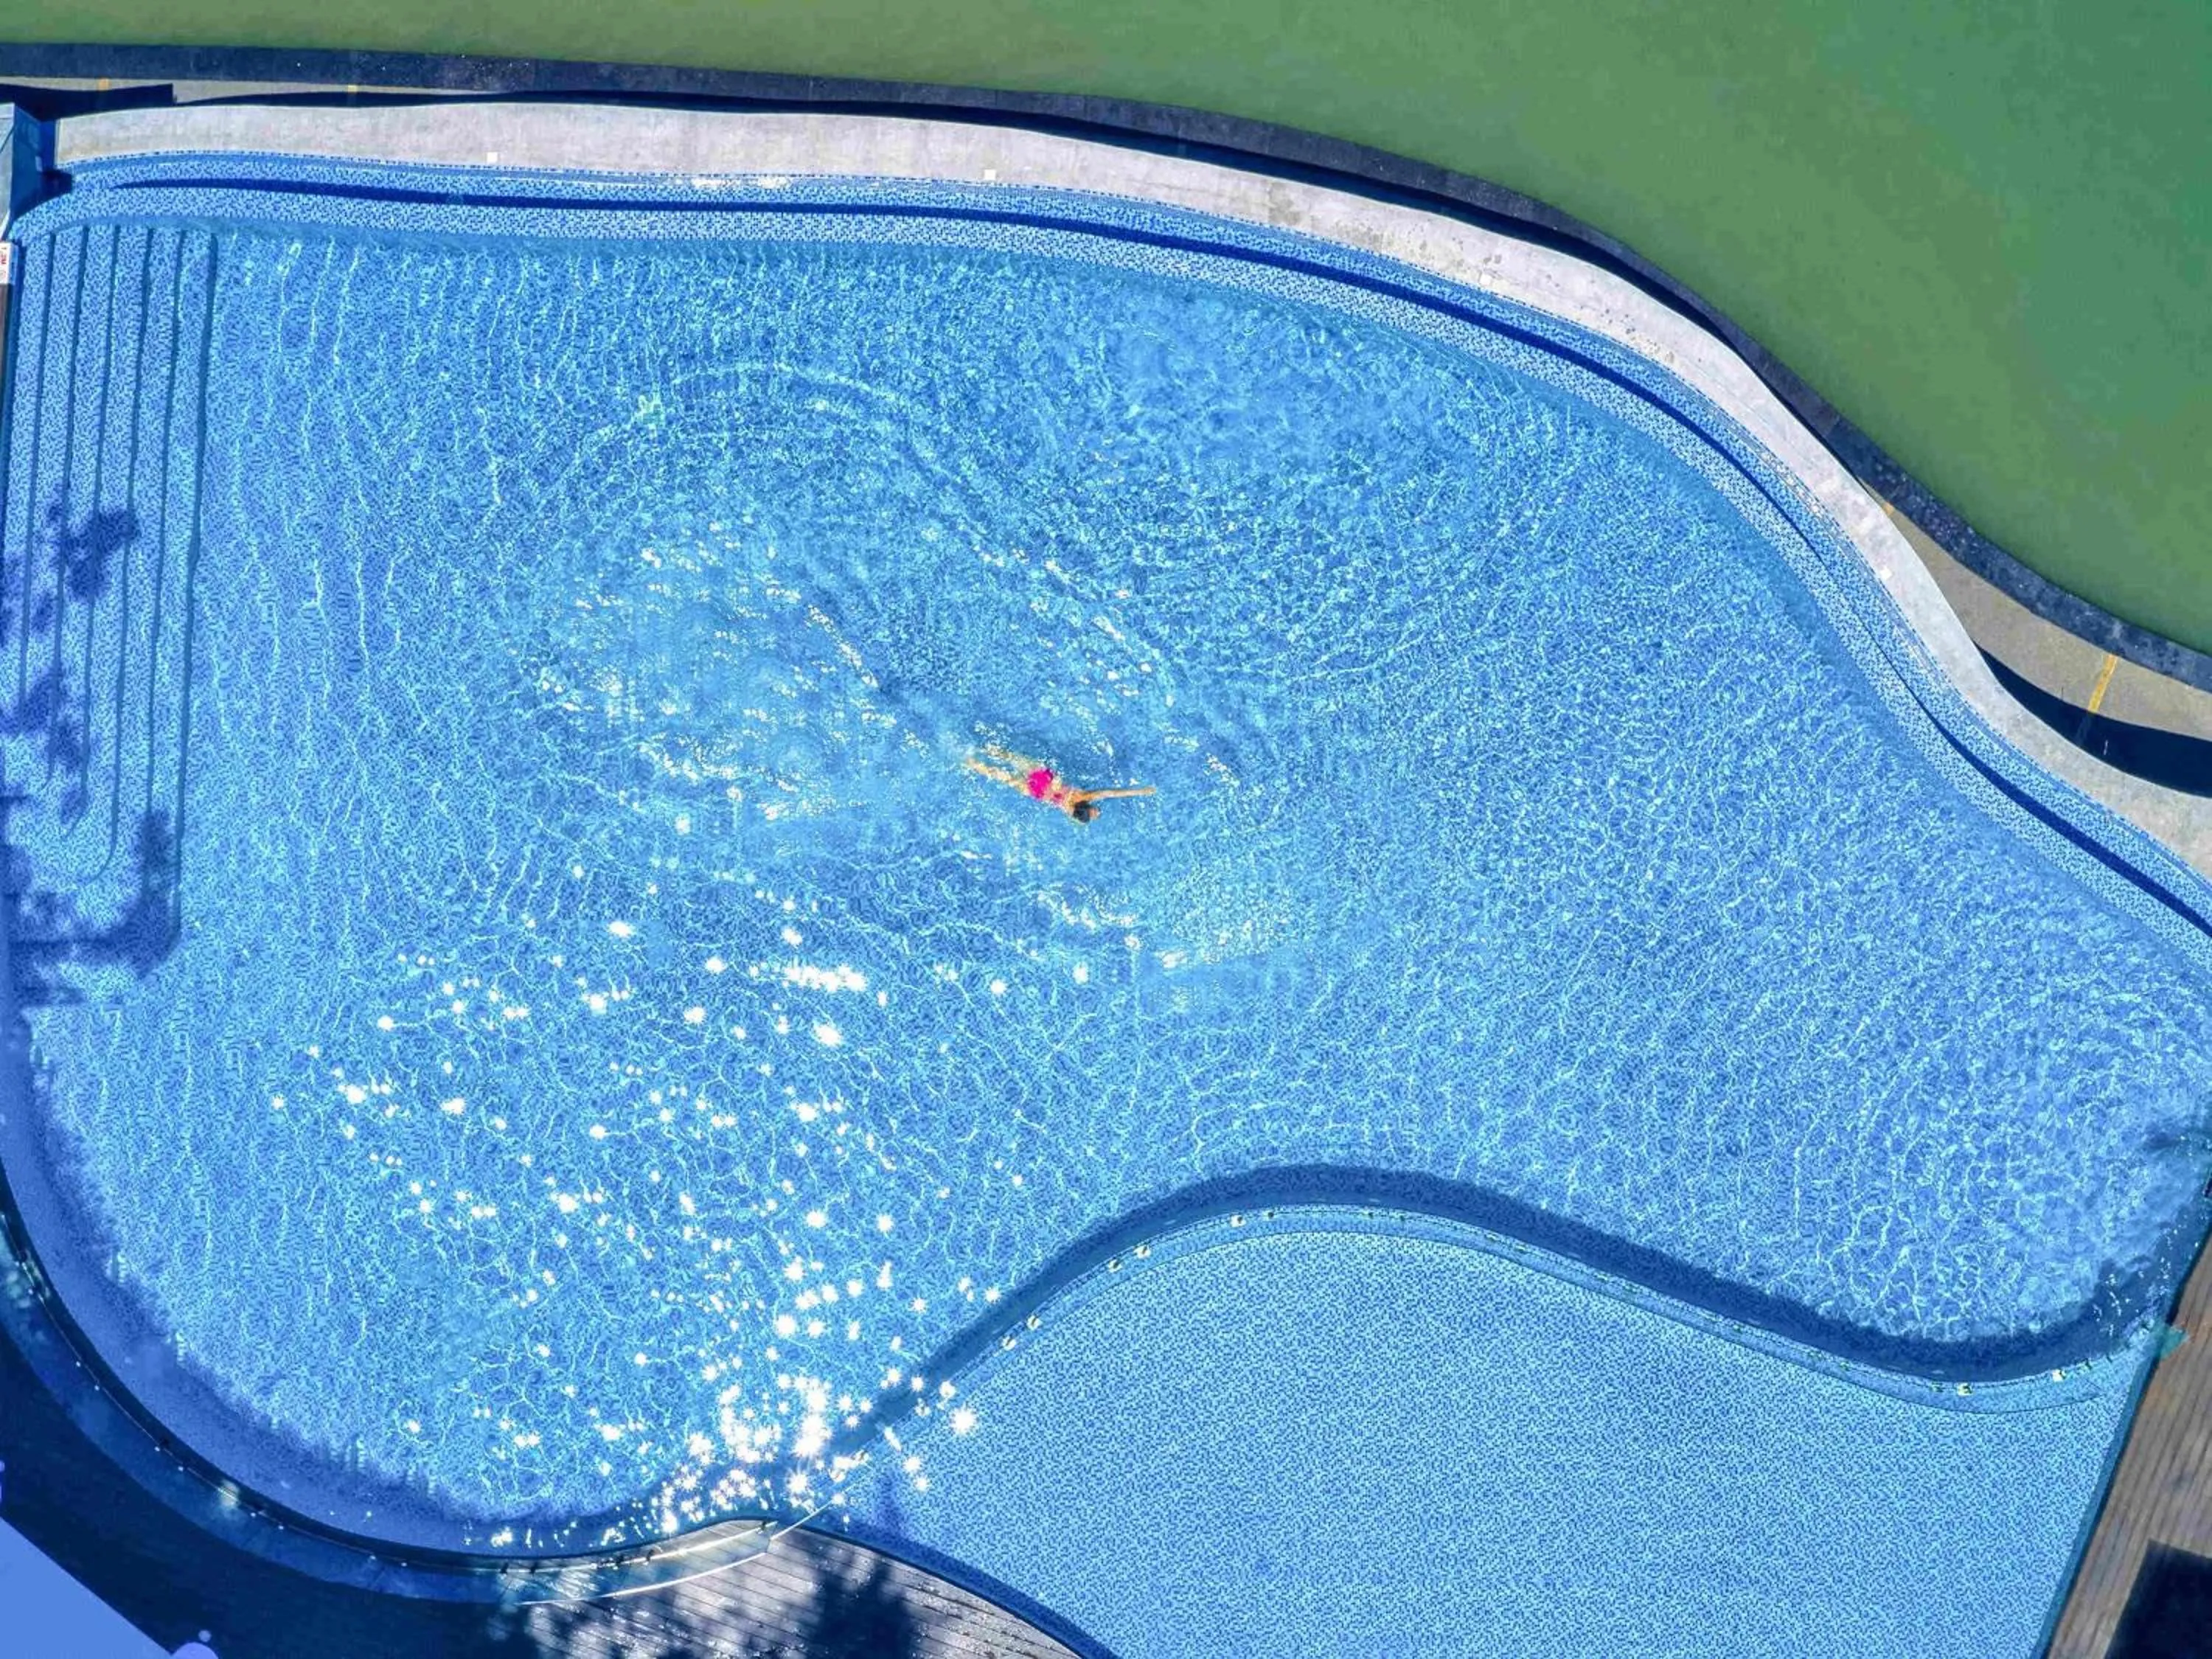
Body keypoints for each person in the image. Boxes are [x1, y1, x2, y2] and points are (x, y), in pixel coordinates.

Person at [965, 747, 1155, 822]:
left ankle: (986, 749)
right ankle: (973, 764)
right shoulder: (1069, 810)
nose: (1097, 812)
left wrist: (1142, 791)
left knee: (1011, 758)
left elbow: (1111, 793)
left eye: (1094, 811)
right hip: (1036, 792)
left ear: (1087, 806)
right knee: (1001, 776)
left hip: (1044, 779)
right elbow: (1080, 820)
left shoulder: (1082, 796)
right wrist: (1086, 818)